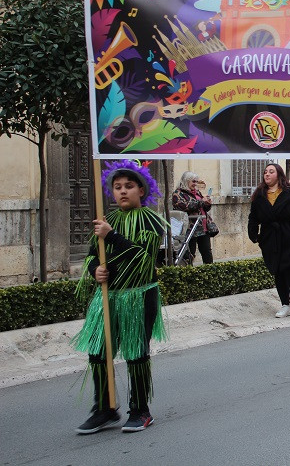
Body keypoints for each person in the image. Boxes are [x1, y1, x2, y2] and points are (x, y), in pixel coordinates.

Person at [73, 160, 167, 434]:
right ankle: (104, 408)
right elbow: (92, 253)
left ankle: (140, 411)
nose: (122, 191)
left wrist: (111, 236)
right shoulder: (108, 220)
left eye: (128, 186)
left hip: (139, 297)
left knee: (137, 353)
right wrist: (95, 270)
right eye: (117, 187)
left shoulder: (152, 220)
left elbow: (142, 256)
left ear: (142, 189)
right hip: (109, 297)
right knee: (98, 352)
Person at [248, 163, 290, 318]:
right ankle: (284, 304)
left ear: (279, 174)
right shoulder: (259, 195)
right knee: (277, 270)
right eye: (265, 172)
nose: (267, 174)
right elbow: (253, 217)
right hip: (270, 236)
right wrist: (253, 234)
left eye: (271, 171)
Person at [171, 171, 214, 264]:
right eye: (193, 181)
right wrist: (202, 201)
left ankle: (210, 274)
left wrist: (207, 203)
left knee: (207, 252)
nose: (195, 184)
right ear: (186, 181)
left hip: (203, 228)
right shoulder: (178, 193)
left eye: (196, 182)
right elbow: (186, 206)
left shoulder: (197, 192)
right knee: (190, 254)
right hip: (190, 228)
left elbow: (203, 207)